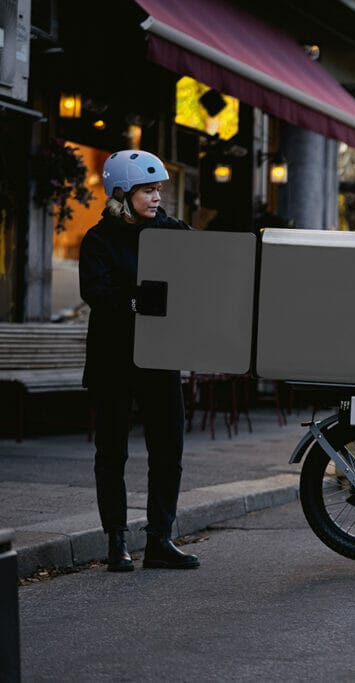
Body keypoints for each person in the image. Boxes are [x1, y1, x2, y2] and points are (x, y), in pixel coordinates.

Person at [79, 150, 198, 572]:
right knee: (112, 452)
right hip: (113, 359)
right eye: (147, 190)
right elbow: (95, 293)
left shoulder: (174, 231)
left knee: (168, 451)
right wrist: (135, 299)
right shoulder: (97, 240)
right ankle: (116, 542)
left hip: (161, 358)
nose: (156, 197)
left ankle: (160, 541)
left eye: (158, 189)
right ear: (121, 194)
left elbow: (198, 279)